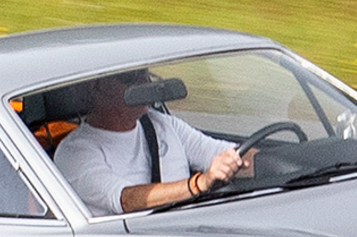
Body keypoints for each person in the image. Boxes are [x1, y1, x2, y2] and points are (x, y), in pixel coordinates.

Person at [51, 71, 251, 216]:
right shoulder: (74, 152)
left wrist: (272, 159)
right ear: (93, 87)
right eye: (129, 77)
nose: (144, 83)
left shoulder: (162, 124)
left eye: (144, 73)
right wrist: (199, 184)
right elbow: (124, 199)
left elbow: (222, 154)